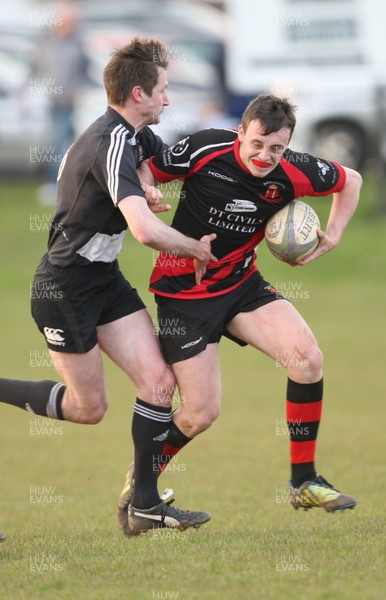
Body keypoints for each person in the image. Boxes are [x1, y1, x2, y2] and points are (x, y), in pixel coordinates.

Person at [0, 38, 217, 534]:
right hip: (64, 287)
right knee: (88, 408)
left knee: (160, 385)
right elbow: (142, 231)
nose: (168, 99)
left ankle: (144, 506)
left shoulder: (137, 138)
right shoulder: (110, 140)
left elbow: (161, 167)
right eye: (162, 91)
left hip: (104, 281)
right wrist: (193, 247)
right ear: (138, 93)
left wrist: (151, 183)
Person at [118, 93, 362, 533]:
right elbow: (145, 170)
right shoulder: (205, 146)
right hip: (183, 293)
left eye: (277, 149)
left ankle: (304, 480)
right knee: (200, 413)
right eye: (257, 144)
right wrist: (149, 191)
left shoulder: (294, 171)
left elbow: (353, 180)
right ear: (241, 133)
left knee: (306, 360)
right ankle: (142, 488)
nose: (265, 156)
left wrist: (335, 236)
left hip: (241, 284)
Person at [33, 1, 90, 204]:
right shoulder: (47, 44)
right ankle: (54, 183)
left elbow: (85, 73)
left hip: (71, 103)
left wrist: (79, 91)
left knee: (70, 144)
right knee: (58, 142)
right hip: (52, 103)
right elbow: (37, 70)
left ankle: (68, 184)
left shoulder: (77, 45)